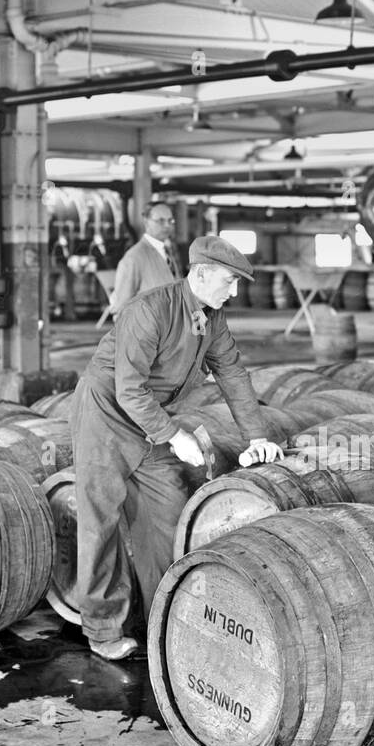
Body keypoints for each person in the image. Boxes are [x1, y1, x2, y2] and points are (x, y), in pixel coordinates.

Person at [71, 235, 283, 661]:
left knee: (167, 515)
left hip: (151, 421)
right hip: (106, 415)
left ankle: (162, 620)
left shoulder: (212, 316)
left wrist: (257, 436)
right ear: (200, 274)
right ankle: (102, 628)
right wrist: (174, 436)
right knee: (101, 520)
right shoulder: (149, 311)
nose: (235, 292)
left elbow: (233, 376)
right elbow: (129, 391)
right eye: (230, 281)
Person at [109, 203, 180, 308]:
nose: (167, 225)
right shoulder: (134, 257)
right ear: (146, 222)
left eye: (170, 221)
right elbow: (121, 305)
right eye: (161, 221)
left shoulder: (167, 252)